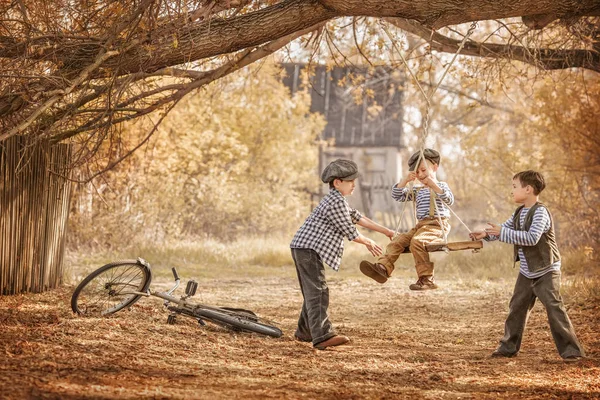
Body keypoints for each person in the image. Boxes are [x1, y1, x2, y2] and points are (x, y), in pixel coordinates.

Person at [469, 170, 585, 361]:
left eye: (515, 187)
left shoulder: (540, 212)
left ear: (528, 189)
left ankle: (572, 351)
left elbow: (532, 238)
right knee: (517, 306)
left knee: (554, 307)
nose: (511, 191)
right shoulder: (519, 213)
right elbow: (504, 229)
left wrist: (501, 232)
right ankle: (508, 347)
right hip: (527, 270)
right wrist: (485, 234)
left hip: (547, 269)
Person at [290, 159, 394, 350]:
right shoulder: (335, 202)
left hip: (304, 248)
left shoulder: (339, 201)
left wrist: (385, 231)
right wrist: (369, 242)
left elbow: (358, 218)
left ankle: (304, 332)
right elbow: (349, 230)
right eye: (350, 181)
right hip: (307, 249)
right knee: (318, 292)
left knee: (314, 292)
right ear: (337, 182)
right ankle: (322, 336)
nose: (354, 184)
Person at [359, 148, 454, 290]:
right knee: (397, 241)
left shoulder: (441, 186)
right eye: (417, 172)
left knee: (417, 242)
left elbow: (448, 199)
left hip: (437, 225)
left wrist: (432, 185)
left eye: (423, 170)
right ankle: (383, 267)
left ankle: (426, 278)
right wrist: (405, 180)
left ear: (435, 167)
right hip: (420, 226)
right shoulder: (417, 190)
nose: (421, 175)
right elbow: (397, 195)